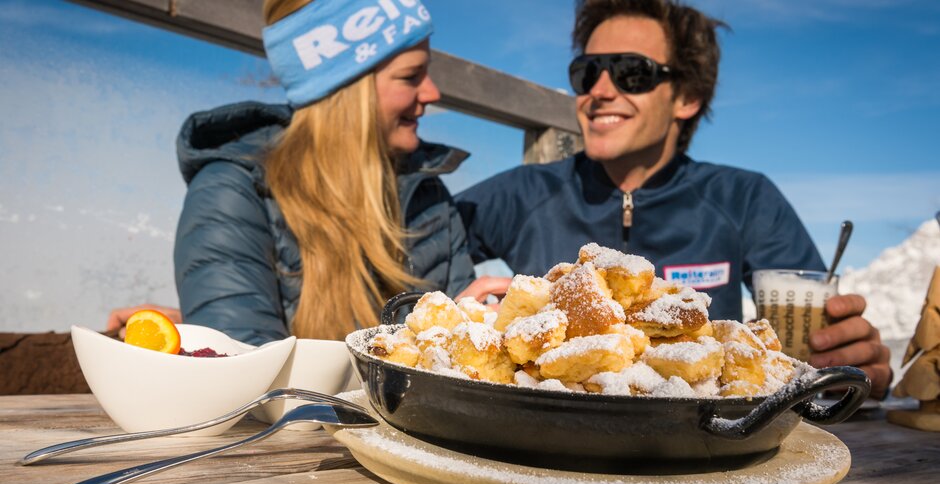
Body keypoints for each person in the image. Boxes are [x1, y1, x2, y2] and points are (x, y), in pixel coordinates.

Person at [455, 0, 892, 398]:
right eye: (587, 73)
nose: (600, 91)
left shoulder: (743, 199)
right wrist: (462, 309)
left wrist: (846, 359)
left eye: (632, 72)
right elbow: (406, 256)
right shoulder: (524, 193)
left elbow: (808, 343)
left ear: (687, 97)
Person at [110, 0, 511, 346]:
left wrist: (473, 333)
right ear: (343, 91)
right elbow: (251, 388)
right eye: (410, 76)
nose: (433, 93)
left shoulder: (430, 198)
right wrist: (428, 344)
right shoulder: (232, 193)